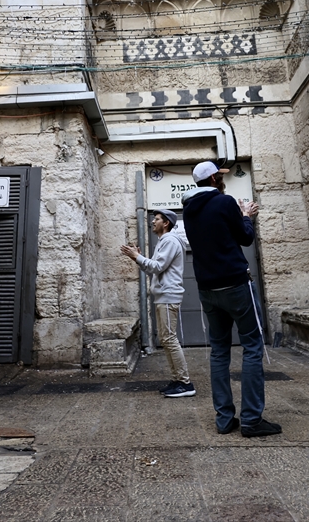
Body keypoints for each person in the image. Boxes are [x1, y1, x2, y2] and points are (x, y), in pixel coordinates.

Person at [181, 161, 278, 437]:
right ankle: (251, 419)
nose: (222, 180)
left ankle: (224, 419)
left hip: (207, 290)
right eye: (219, 176)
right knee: (252, 346)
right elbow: (245, 238)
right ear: (213, 178)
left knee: (219, 351)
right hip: (235, 284)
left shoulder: (189, 210)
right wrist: (246, 215)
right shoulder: (224, 203)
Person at [122, 209, 195, 398]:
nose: (153, 222)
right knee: (166, 339)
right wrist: (137, 259)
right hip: (164, 295)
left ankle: (185, 383)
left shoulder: (170, 241)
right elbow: (153, 269)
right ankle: (178, 379)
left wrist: (137, 257)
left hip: (169, 296)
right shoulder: (164, 241)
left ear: (166, 223)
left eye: (156, 219)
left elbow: (157, 266)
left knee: (169, 339)